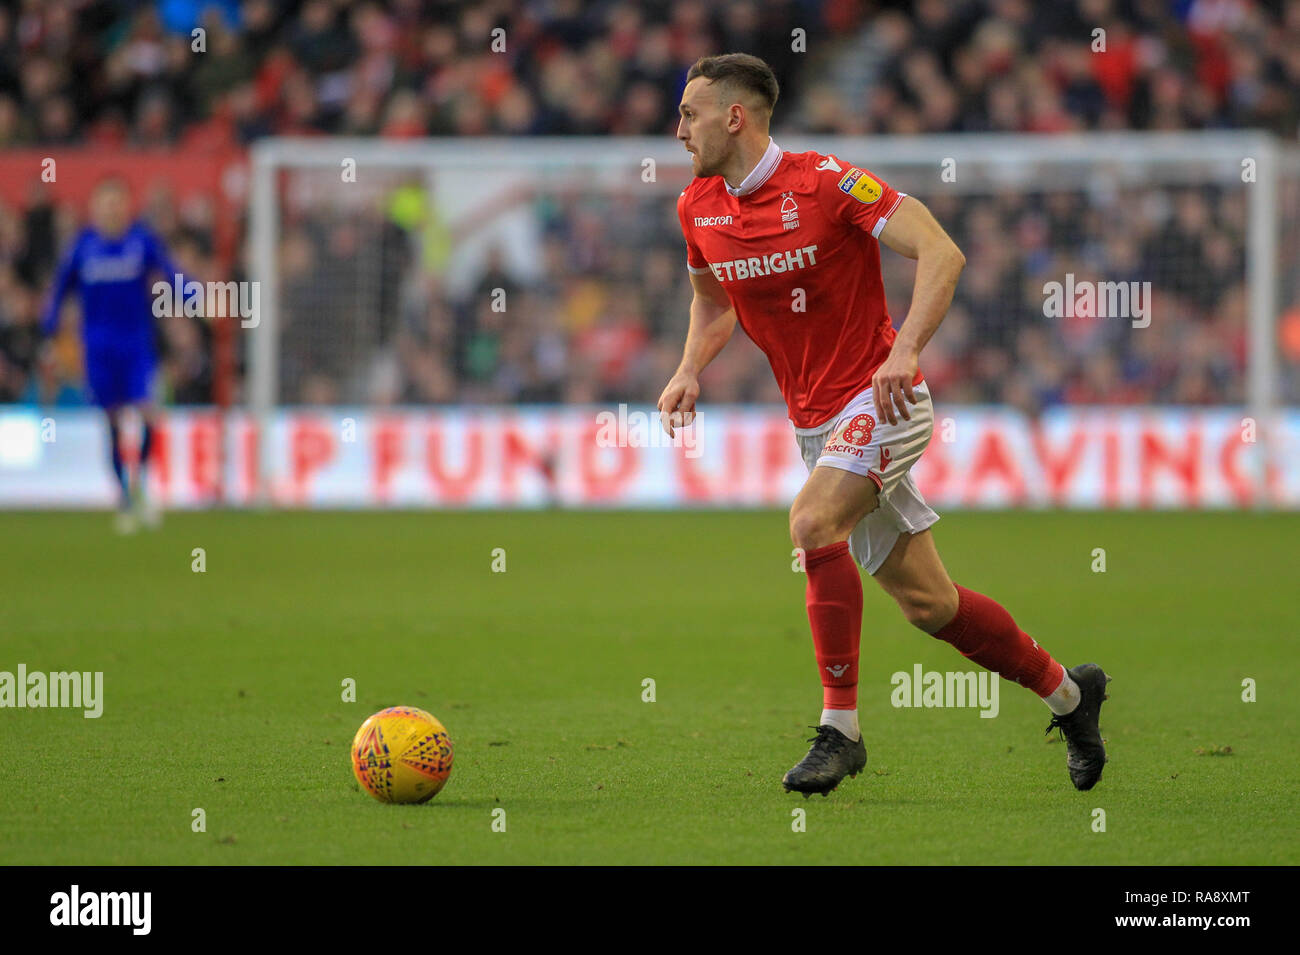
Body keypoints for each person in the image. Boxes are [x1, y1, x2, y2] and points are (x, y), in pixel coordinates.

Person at [659, 54, 1110, 796]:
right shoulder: (697, 207)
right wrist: (687, 367)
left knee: (809, 525)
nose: (678, 129)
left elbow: (942, 249)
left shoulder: (829, 182)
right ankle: (1070, 693)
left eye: (689, 113)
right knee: (932, 604)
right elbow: (714, 302)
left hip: (882, 401)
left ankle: (841, 730)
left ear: (734, 116)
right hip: (817, 427)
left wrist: (903, 351)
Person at [41, 177, 179, 532]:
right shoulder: (82, 246)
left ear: (126, 205)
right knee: (114, 423)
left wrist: (197, 296)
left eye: (117, 202)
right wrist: (49, 328)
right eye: (105, 202)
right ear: (95, 207)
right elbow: (59, 290)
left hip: (136, 345)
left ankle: (142, 484)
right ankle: (124, 498)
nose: (111, 209)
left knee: (149, 414)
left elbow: (171, 272)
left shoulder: (141, 241)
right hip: (99, 348)